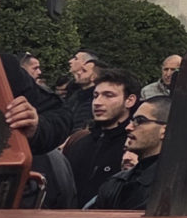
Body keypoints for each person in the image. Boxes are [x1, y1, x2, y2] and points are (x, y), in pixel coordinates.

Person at [58, 68, 137, 197]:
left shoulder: (135, 147)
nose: (98, 102)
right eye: (96, 96)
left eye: (109, 95)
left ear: (129, 100)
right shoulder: (79, 144)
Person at [87, 98, 170, 210]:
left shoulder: (175, 187)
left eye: (140, 121)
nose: (129, 127)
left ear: (164, 130)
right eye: (132, 121)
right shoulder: (116, 182)